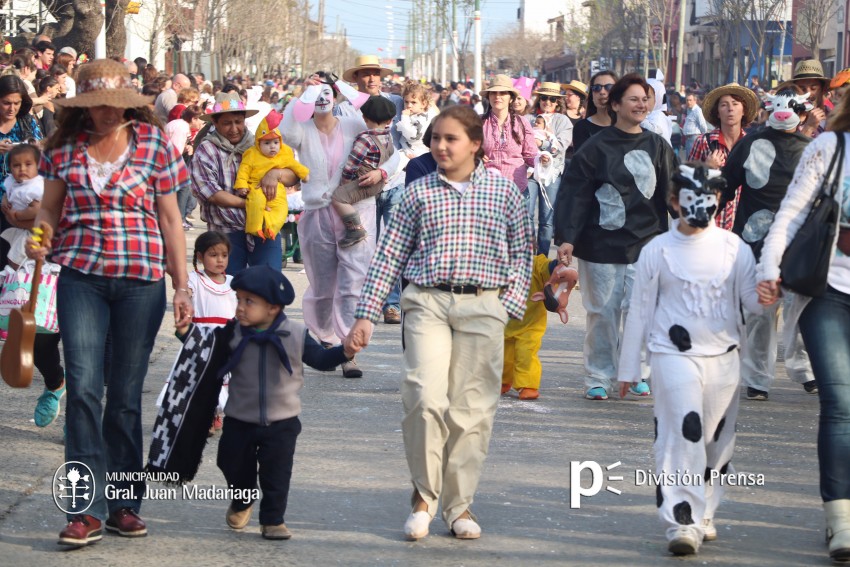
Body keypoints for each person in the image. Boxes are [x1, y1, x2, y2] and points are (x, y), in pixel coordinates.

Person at [25, 59, 192, 547]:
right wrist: (41, 237)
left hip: (141, 282)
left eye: (111, 106)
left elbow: (171, 221)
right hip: (81, 280)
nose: (102, 114)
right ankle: (83, 510)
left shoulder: (156, 144)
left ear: (128, 105)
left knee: (122, 397)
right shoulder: (64, 147)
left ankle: (122, 504)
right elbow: (50, 210)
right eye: (94, 105)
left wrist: (182, 285)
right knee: (81, 390)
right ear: (81, 107)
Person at [347, 105, 533, 541]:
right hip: (427, 304)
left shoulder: (505, 193)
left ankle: (459, 505)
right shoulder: (417, 192)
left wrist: (508, 306)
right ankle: (424, 497)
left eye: (451, 139)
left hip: (484, 307)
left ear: (475, 144)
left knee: (472, 413)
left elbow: (522, 252)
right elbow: (390, 254)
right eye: (435, 139)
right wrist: (366, 315)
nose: (441, 146)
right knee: (424, 398)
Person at [618, 165, 762, 556]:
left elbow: (752, 303)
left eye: (710, 196)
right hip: (671, 354)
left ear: (719, 199)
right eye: (690, 195)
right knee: (683, 434)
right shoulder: (657, 250)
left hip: (724, 357)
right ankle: (682, 521)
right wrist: (630, 368)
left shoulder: (735, 248)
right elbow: (641, 309)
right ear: (673, 201)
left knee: (715, 440)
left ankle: (705, 509)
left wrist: (771, 290)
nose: (700, 203)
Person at [173, 265, 358, 540]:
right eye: (238, 300)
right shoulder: (233, 332)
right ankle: (243, 499)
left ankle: (273, 520)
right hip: (238, 419)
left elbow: (320, 359)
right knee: (229, 461)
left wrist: (345, 351)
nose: (240, 307)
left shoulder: (295, 334)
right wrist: (184, 331)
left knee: (276, 473)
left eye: (249, 301)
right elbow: (205, 350)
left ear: (272, 307)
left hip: (282, 422)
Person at [756, 108, 850, 565]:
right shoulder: (830, 147)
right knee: (841, 403)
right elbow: (790, 213)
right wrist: (770, 270)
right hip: (828, 288)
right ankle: (841, 519)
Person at [555, 73, 677, 401]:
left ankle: (636, 371)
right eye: (633, 98)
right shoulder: (595, 147)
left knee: (642, 311)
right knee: (602, 313)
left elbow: (674, 194)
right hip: (601, 244)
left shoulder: (657, 146)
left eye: (645, 99)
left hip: (647, 244)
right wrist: (567, 237)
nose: (640, 104)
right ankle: (598, 376)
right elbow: (575, 193)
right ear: (617, 104)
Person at [282, 72, 401, 378]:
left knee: (354, 281)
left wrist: (382, 174)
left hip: (358, 207)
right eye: (316, 95)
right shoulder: (302, 129)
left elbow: (393, 151)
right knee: (323, 285)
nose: (322, 99)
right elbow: (285, 133)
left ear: (335, 97)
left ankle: (350, 348)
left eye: (327, 94)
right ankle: (326, 341)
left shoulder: (353, 122)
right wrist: (301, 94)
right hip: (317, 211)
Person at [721, 84, 815, 401]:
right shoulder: (750, 145)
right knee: (761, 312)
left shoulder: (813, 149)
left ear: (802, 115)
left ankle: (806, 370)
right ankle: (758, 377)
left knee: (800, 309)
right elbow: (726, 184)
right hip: (754, 237)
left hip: (799, 241)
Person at [192, 92, 297, 274]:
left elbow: (294, 174)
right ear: (215, 123)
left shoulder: (259, 144)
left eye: (238, 122)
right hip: (225, 232)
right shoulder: (206, 150)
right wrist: (250, 204)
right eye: (226, 123)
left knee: (267, 286)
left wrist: (275, 173)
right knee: (229, 291)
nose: (234, 128)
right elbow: (211, 193)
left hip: (265, 226)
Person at [338, 55, 405, 325]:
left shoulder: (398, 102)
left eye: (375, 73)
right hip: (362, 189)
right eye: (365, 73)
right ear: (356, 78)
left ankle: (391, 304)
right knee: (366, 247)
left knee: (392, 246)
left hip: (394, 184)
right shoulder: (344, 110)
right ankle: (365, 300)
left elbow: (406, 145)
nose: (372, 78)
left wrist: (385, 171)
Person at [155, 230, 237, 434]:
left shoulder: (232, 283)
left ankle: (216, 414)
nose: (219, 260)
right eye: (213, 255)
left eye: (224, 255)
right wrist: (185, 292)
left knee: (223, 379)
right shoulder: (195, 279)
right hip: (201, 339)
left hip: (226, 340)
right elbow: (186, 290)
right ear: (200, 257)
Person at [502, 256, 577, 400]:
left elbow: (548, 268)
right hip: (504, 323)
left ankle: (528, 385)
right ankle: (503, 381)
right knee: (503, 356)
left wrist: (559, 264)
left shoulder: (535, 263)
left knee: (526, 353)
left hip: (530, 324)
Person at [688, 83, 758, 231]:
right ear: (718, 112)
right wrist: (707, 168)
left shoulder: (752, 146)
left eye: (735, 104)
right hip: (710, 227)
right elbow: (687, 185)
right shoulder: (703, 142)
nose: (730, 109)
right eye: (724, 105)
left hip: (743, 229)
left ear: (743, 110)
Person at [331, 95, 396, 248]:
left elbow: (351, 165)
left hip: (363, 181)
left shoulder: (365, 139)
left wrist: (345, 184)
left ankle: (355, 229)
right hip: (379, 182)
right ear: (389, 121)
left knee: (338, 198)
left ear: (364, 118)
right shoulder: (388, 136)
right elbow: (391, 154)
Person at [235, 110, 309, 240]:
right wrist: (241, 185)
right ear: (258, 143)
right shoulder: (252, 154)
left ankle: (270, 228)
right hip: (256, 187)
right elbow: (244, 170)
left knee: (282, 210)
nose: (272, 147)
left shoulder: (283, 154)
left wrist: (305, 174)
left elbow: (295, 166)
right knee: (256, 203)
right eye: (267, 143)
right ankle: (255, 228)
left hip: (278, 192)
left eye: (275, 143)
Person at [0, 75, 43, 266]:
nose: (12, 108)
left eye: (16, 103)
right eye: (6, 103)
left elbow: (41, 153)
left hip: (21, 200)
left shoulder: (27, 122)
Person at [528, 81, 573, 256]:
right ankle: (528, 257)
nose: (548, 102)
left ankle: (543, 258)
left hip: (552, 174)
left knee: (547, 219)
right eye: (544, 98)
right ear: (539, 100)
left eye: (552, 99)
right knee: (527, 215)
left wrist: (542, 143)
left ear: (557, 102)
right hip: (530, 171)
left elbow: (561, 145)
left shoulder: (563, 121)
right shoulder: (528, 119)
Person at [480, 74, 538, 193]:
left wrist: (543, 160)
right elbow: (464, 151)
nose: (497, 97)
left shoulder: (522, 122)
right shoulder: (477, 122)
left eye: (503, 93)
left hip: (517, 190)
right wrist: (474, 156)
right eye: (493, 93)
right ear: (488, 97)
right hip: (486, 190)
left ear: (511, 98)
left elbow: (531, 156)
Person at [1, 144, 44, 268]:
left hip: (34, 231)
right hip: (20, 228)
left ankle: (22, 282)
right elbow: (7, 194)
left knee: (18, 260)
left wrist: (17, 215)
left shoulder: (35, 186)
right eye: (16, 165)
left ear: (38, 166)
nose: (22, 169)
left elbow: (36, 209)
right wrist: (4, 201)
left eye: (28, 164)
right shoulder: (14, 182)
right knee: (12, 257)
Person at [572, 71, 616, 152]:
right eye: (597, 88)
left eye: (609, 87)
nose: (602, 92)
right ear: (592, 95)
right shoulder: (581, 127)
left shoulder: (627, 126)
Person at [397, 81, 438, 161]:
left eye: (413, 102)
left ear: (423, 104)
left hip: (415, 154)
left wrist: (405, 117)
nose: (409, 106)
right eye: (406, 102)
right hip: (408, 151)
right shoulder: (414, 114)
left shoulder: (424, 118)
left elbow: (412, 135)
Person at [792, 59, 833, 138]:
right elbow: (790, 149)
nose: (808, 94)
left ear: (823, 89)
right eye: (802, 89)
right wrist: (808, 128)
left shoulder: (834, 117)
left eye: (813, 88)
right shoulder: (789, 119)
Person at [682, 93, 709, 158]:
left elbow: (703, 125)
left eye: (690, 100)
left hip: (694, 138)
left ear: (695, 101)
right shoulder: (689, 109)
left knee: (692, 160)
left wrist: (701, 137)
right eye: (687, 100)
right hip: (689, 139)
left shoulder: (697, 111)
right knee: (689, 159)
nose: (688, 102)